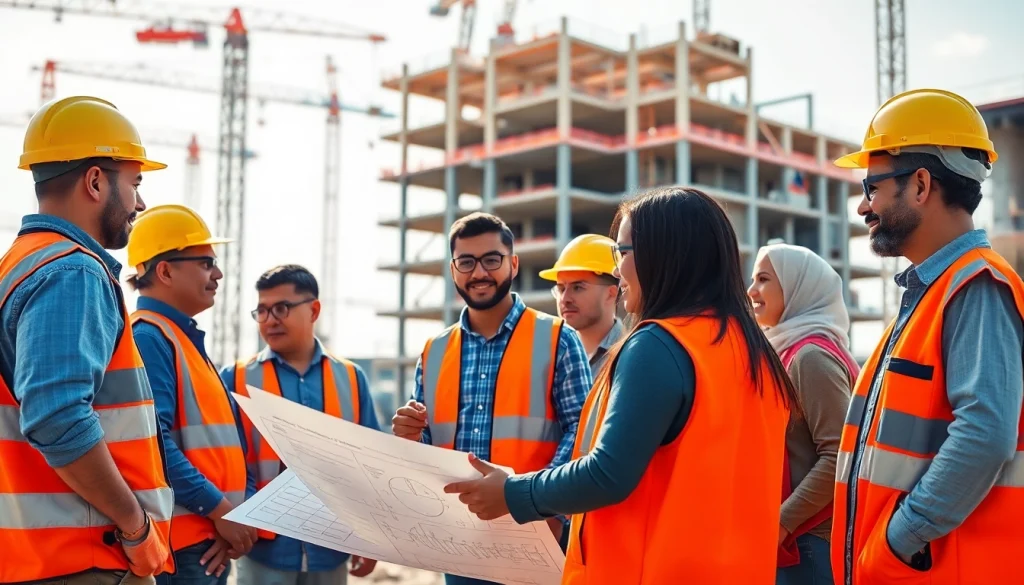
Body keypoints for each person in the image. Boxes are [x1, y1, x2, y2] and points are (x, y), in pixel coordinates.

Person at [443, 190, 797, 584]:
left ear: (663, 255)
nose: (618, 271)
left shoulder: (659, 344)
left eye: (622, 253)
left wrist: (512, 492)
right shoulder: (752, 349)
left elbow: (607, 474)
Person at [829, 88, 1024, 585]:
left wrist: (901, 540)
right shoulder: (934, 291)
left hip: (937, 568)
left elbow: (984, 436)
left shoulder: (975, 285)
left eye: (871, 187)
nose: (863, 207)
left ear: (920, 185)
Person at [0, 96, 173, 583]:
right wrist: (135, 526)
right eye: (135, 182)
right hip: (86, 555)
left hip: (40, 553)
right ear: (96, 181)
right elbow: (57, 416)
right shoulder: (72, 270)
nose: (140, 202)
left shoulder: (18, 264)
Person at [391, 212, 592, 585]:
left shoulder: (558, 337)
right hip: (459, 540)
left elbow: (582, 429)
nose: (479, 272)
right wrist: (408, 435)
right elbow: (427, 446)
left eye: (491, 260)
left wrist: (550, 511)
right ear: (453, 270)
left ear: (513, 264)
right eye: (466, 262)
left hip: (535, 532)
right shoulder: (433, 351)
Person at [221, 265, 381, 585]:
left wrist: (372, 536)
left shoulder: (350, 378)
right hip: (263, 548)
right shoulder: (235, 378)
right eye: (262, 311)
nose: (270, 320)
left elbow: (370, 466)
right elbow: (228, 464)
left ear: (314, 310)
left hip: (333, 546)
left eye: (281, 308)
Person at [126, 203, 255, 584]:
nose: (218, 274)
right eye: (205, 262)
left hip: (207, 539)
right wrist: (219, 510)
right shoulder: (150, 337)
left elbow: (223, 446)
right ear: (164, 270)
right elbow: (153, 444)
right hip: (180, 549)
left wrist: (230, 516)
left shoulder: (180, 339)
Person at [748, 243, 858, 585]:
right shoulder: (786, 352)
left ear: (798, 288)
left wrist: (781, 523)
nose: (751, 290)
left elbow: (839, 455)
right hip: (795, 537)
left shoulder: (810, 358)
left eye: (764, 279)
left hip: (810, 540)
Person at [539, 234, 624, 373]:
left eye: (577, 287)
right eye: (561, 289)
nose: (565, 298)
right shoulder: (548, 357)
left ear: (611, 294)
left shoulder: (631, 354)